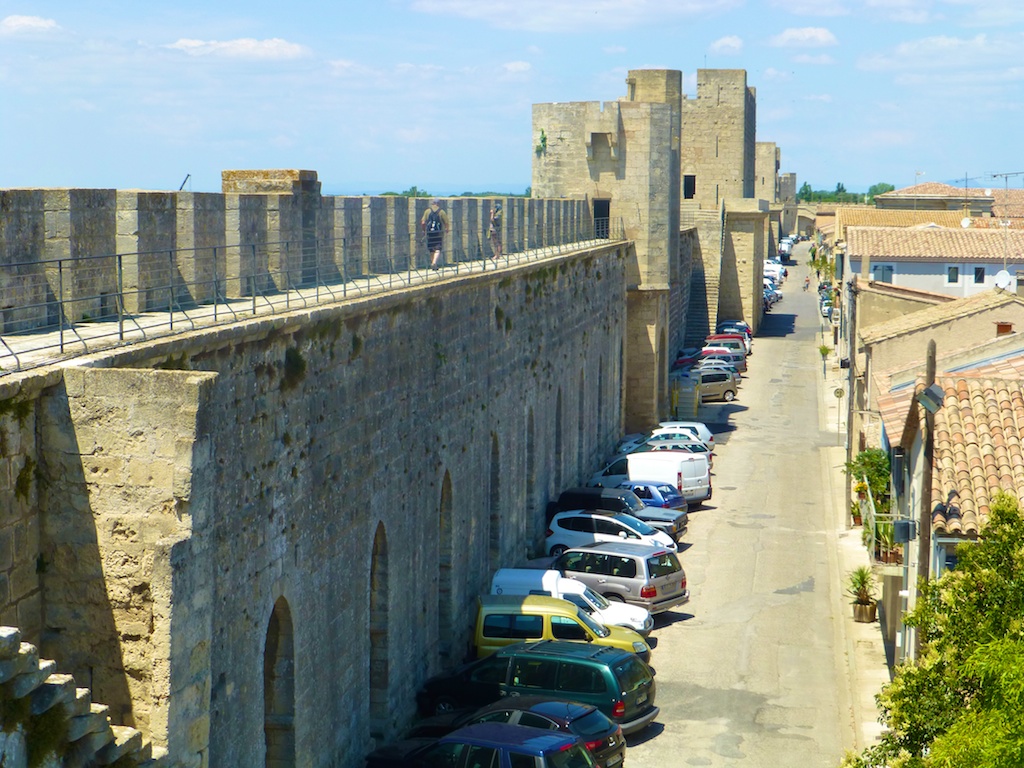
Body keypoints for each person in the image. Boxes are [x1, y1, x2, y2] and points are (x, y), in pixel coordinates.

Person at [421, 198, 449, 269]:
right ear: (439, 204)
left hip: (430, 232)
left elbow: (423, 222)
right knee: (438, 248)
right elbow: (446, 222)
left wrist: (424, 230)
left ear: (432, 203)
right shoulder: (441, 212)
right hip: (438, 233)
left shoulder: (427, 211)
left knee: (431, 248)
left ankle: (433, 264)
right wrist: (447, 229)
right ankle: (434, 263)